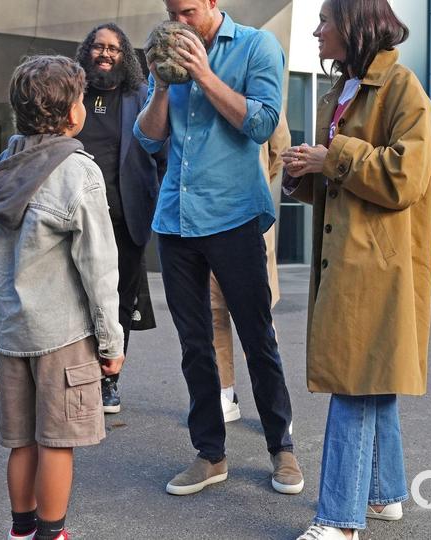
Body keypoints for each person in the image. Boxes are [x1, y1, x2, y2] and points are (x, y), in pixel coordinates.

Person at [134, 0, 304, 496]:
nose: (177, 22)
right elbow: (147, 139)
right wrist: (164, 85)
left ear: (213, 2)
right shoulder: (166, 53)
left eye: (187, 11)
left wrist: (204, 76)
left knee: (257, 336)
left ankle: (282, 448)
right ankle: (210, 455)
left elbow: (262, 124)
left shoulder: (257, 46)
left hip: (234, 214)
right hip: (176, 218)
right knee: (194, 345)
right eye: (172, 12)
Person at [281, 1, 431, 538]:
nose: (317, 29)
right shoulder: (341, 92)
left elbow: (405, 177)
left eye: (326, 20)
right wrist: (304, 171)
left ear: (354, 25)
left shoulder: (401, 87)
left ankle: (339, 520)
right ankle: (383, 494)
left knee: (353, 383)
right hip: (348, 261)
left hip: (377, 265)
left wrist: (334, 157)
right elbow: (341, 176)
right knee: (370, 378)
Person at [0, 55, 126, 540]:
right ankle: (53, 533)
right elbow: (99, 267)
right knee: (57, 443)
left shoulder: (4, 165)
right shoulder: (76, 171)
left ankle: (21, 531)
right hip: (62, 333)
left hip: (12, 332)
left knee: (21, 442)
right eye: (81, 99)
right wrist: (111, 341)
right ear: (71, 113)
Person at [74, 23, 167, 414]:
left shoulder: (141, 96)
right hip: (76, 216)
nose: (105, 54)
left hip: (126, 216)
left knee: (119, 300)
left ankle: (109, 380)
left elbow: (160, 155)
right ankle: (78, 374)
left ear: (124, 54)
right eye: (98, 47)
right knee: (78, 297)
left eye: (113, 48)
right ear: (87, 51)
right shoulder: (73, 92)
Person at [214, 115, 290, 423]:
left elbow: (280, 149)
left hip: (251, 213)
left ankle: (273, 401)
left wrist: (256, 179)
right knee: (213, 308)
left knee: (259, 315)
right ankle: (224, 392)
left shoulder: (258, 78)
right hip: (209, 213)